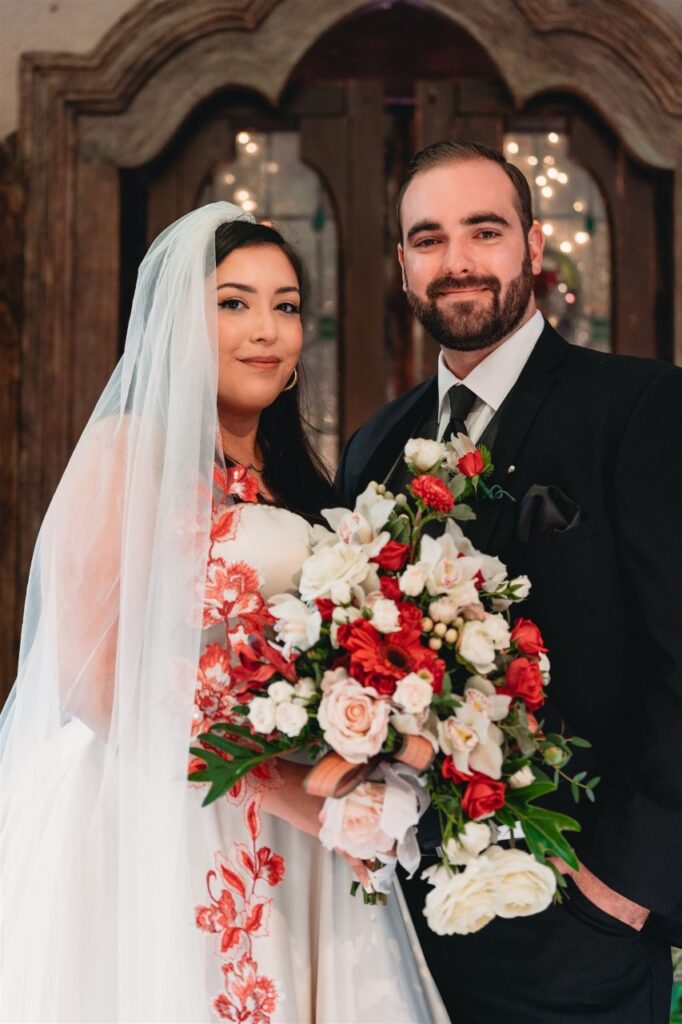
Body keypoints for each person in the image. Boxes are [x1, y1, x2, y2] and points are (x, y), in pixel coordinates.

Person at [0, 204, 447, 1023]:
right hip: (162, 812)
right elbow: (85, 676)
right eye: (233, 302)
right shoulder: (128, 449)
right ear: (179, 320)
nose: (265, 330)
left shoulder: (304, 480)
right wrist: (284, 792)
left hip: (303, 820)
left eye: (285, 306)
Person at [336, 140, 682, 1024]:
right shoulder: (375, 445)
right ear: (404, 265)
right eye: (427, 238)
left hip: (579, 926)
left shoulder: (642, 406)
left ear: (532, 246)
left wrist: (623, 890)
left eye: (483, 232)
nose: (456, 261)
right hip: (399, 934)